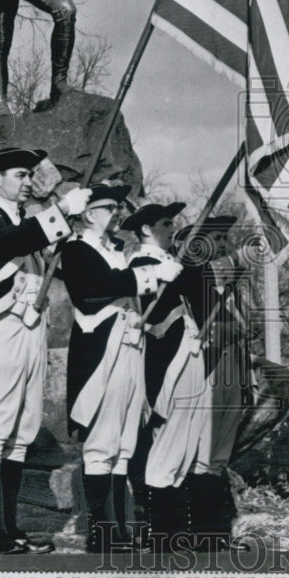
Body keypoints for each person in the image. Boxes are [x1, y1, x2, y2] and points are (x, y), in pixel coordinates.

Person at [0, 147, 91, 554]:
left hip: (32, 327)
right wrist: (59, 212)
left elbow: (37, 250)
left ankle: (9, 527)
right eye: (20, 174)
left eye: (30, 175)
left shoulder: (21, 219)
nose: (28, 182)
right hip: (1, 324)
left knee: (22, 431)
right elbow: (2, 245)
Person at [59, 185, 182, 553]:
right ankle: (101, 532)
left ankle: (119, 529)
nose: (114, 212)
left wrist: (162, 275)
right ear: (89, 213)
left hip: (130, 346)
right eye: (107, 206)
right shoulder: (76, 249)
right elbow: (90, 290)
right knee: (101, 443)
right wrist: (151, 276)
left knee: (124, 445)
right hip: (101, 351)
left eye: (116, 206)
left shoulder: (117, 252)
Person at [122, 202, 209, 550]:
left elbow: (200, 294)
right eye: (165, 223)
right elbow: (149, 311)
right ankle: (161, 530)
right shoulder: (142, 263)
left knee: (186, 440)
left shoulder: (172, 262)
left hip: (188, 351)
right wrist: (167, 272)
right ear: (146, 230)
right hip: (164, 358)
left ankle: (174, 528)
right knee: (166, 442)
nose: (173, 228)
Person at [176, 216, 250, 552]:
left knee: (219, 452)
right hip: (206, 368)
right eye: (215, 238)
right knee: (201, 452)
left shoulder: (232, 285)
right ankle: (201, 531)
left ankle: (218, 533)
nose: (222, 244)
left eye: (225, 238)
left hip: (232, 368)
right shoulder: (195, 278)